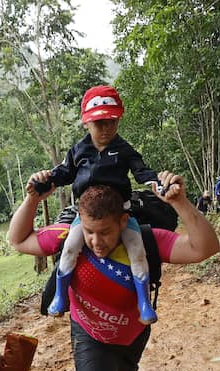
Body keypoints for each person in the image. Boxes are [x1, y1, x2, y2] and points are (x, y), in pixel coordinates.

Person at [7, 174, 220, 371]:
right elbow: (18, 240)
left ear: (123, 221)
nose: (96, 241)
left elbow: (206, 247)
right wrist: (34, 198)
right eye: (89, 232)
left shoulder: (147, 241)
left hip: (134, 332)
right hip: (88, 332)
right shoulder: (68, 238)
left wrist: (179, 202)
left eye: (105, 232)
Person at [30, 84, 161, 325]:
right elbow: (64, 173)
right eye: (99, 123)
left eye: (111, 121)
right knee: (70, 247)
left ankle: (143, 301)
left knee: (137, 250)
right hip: (87, 217)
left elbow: (142, 171)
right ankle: (60, 295)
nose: (106, 128)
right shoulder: (79, 151)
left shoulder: (123, 149)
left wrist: (157, 182)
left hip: (120, 214)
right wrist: (44, 179)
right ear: (86, 123)